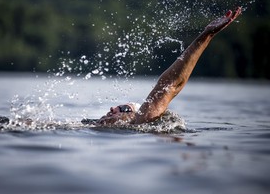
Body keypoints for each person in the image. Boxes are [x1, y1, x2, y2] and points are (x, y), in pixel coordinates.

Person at [98, 7, 242, 125]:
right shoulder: (90, 125)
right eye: (118, 106)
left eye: (123, 108)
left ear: (133, 116)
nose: (112, 108)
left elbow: (170, 84)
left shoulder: (140, 121)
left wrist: (206, 35)